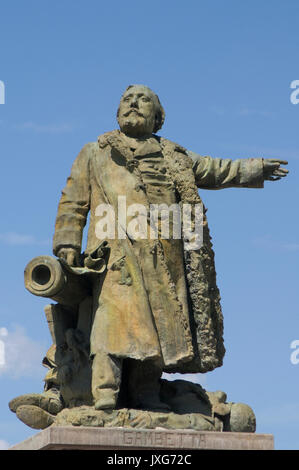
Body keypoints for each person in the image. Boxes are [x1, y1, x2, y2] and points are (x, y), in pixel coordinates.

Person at [51, 84, 288, 411]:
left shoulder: (174, 156)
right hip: (116, 257)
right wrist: (67, 242)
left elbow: (214, 169)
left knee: (162, 331)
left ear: (157, 117)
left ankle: (146, 394)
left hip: (166, 259)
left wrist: (253, 169)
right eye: (126, 99)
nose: (133, 103)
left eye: (143, 99)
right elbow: (72, 202)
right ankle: (104, 395)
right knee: (111, 325)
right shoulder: (95, 152)